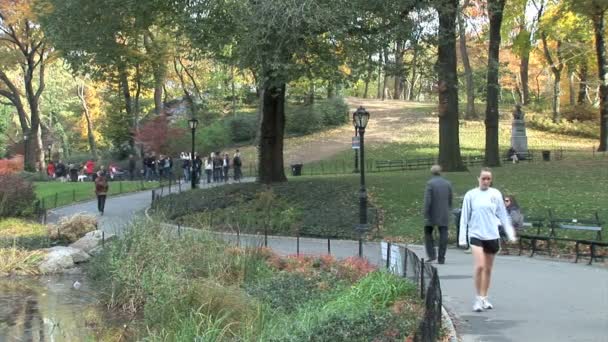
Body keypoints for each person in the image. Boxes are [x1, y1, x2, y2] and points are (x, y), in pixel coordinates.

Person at [459, 168, 516, 312]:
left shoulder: (495, 194)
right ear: (478, 178)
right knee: (479, 266)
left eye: (488, 179)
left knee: (488, 269)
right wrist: (462, 238)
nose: (485, 181)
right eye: (483, 178)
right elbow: (464, 217)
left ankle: (484, 297)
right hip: (476, 234)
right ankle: (478, 299)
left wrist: (510, 233)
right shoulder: (471, 195)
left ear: (491, 180)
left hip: (492, 235)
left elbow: (502, 215)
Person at [423, 165, 453, 264]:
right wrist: (448, 208)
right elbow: (450, 198)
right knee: (443, 234)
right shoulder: (447, 184)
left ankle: (432, 254)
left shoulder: (430, 184)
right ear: (441, 172)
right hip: (443, 212)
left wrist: (426, 212)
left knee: (428, 233)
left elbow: (428, 200)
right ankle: (441, 257)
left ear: (432, 172)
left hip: (432, 213)